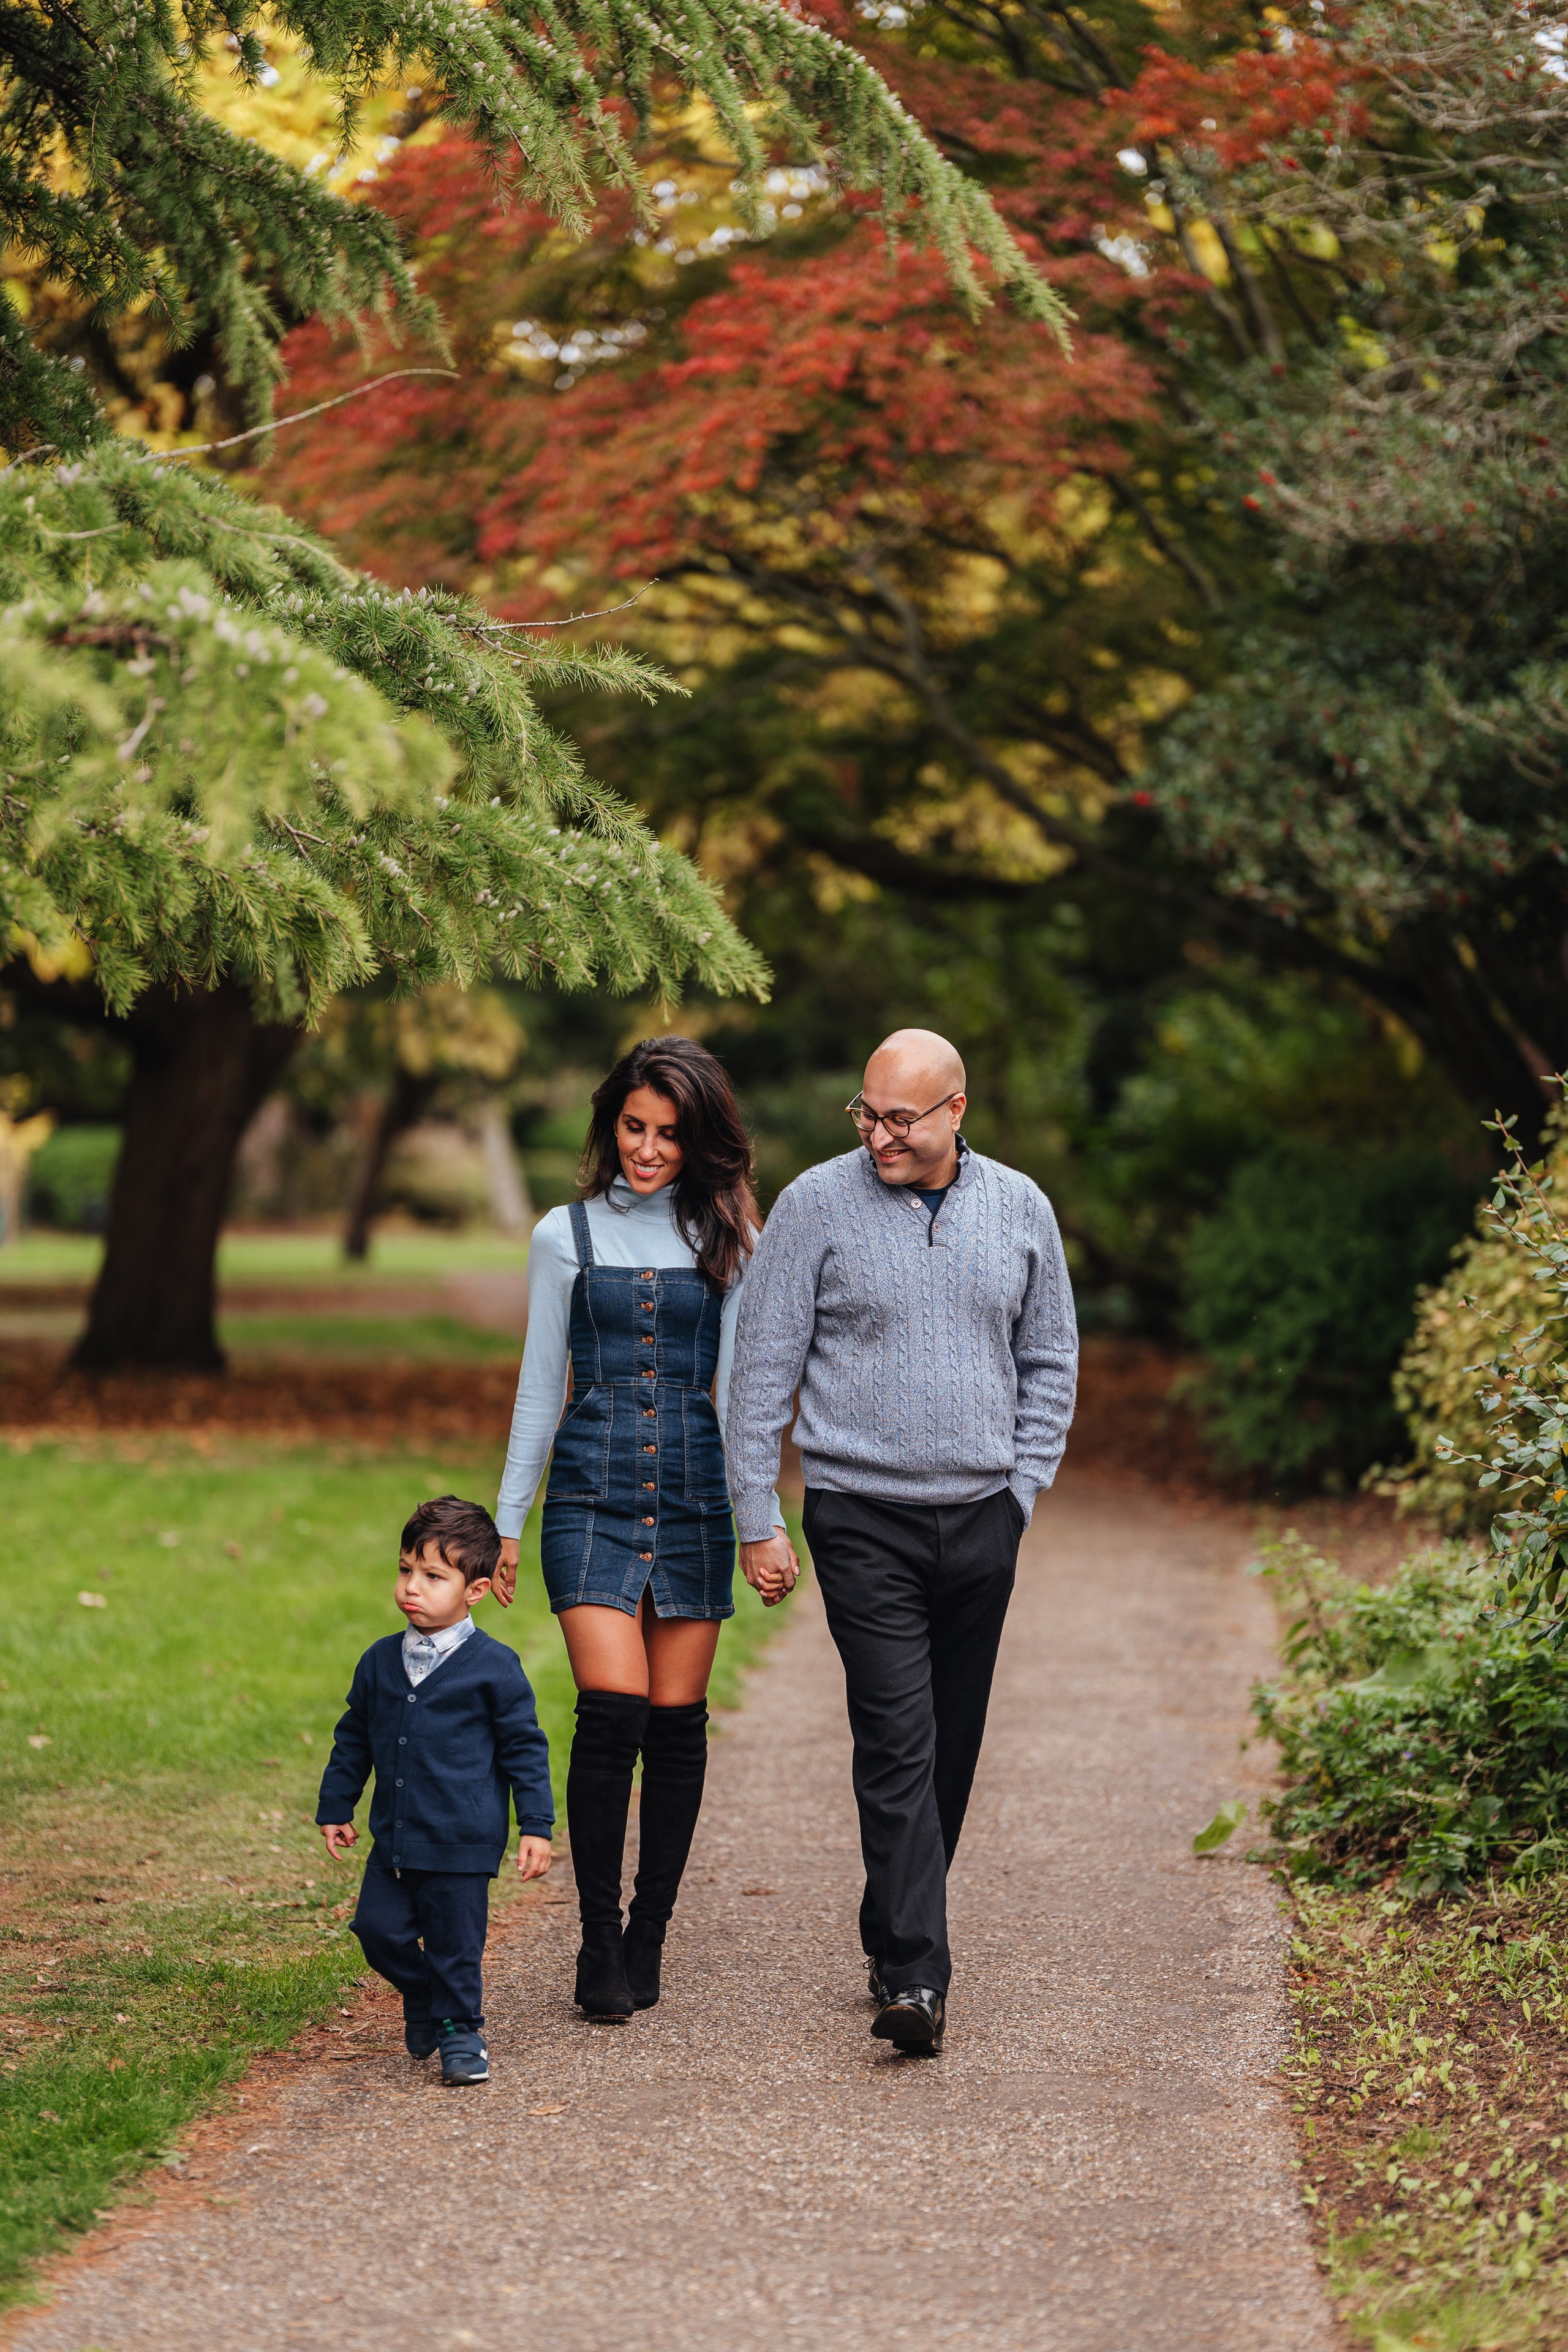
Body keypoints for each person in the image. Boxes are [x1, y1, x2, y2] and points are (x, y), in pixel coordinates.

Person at [725, 1027, 1077, 2051]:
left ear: (957, 1112)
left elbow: (1051, 1357)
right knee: (896, 1739)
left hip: (981, 1517)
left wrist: (1020, 1493)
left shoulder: (1020, 1210)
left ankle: (890, 1927)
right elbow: (761, 1372)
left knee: (951, 1749)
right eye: (866, 1113)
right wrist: (760, 1515)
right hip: (860, 1512)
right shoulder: (815, 1207)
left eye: (900, 1118)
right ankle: (919, 1978)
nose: (878, 1134)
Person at [489, 1036, 794, 2021]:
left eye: (669, 1133)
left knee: (677, 1728)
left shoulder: (734, 1245)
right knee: (611, 1707)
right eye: (633, 1127)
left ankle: (649, 1932)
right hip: (589, 1497)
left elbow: (743, 1398)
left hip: (700, 1498)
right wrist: (507, 1521)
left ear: (699, 1139)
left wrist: (761, 1523)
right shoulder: (561, 1237)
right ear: (609, 1122)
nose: (649, 1149)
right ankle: (594, 1937)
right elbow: (542, 1387)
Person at [315, 1494, 555, 2088]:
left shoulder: (494, 1667)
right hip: (395, 1839)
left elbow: (525, 1748)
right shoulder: (378, 1663)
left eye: (431, 1576)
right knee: (377, 1932)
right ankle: (423, 1996)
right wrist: (336, 1805)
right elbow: (354, 1738)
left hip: (462, 1843)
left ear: (474, 1590)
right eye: (405, 1570)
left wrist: (536, 1825)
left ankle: (460, 2032)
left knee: (455, 1946)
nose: (411, 1588)